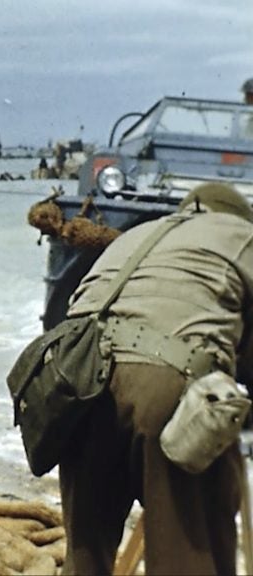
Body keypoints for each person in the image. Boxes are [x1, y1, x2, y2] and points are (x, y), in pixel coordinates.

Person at [58, 182, 253, 574]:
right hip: (165, 383)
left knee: (86, 553)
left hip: (73, 380)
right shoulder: (244, 236)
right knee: (188, 550)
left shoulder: (137, 235)